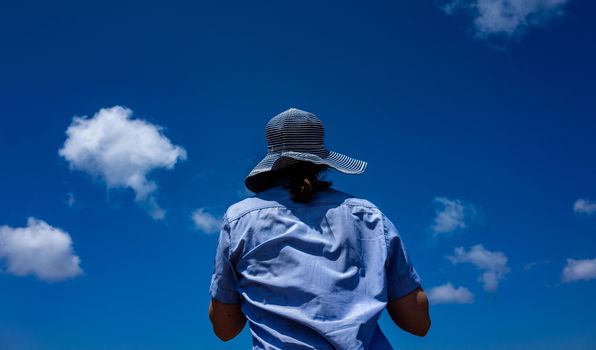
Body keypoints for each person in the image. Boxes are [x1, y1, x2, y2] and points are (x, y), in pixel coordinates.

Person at [209, 108, 430, 349]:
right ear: (322, 160)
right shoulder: (369, 216)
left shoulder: (240, 219)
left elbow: (225, 328)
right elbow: (417, 323)